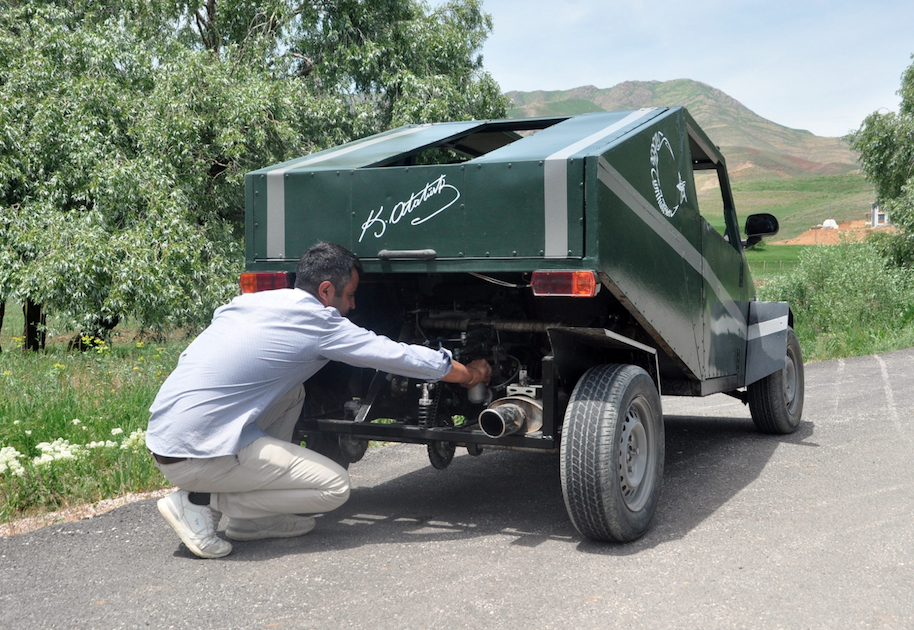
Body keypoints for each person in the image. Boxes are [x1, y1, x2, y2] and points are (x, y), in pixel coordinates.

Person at [146, 241, 491, 558]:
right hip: (196, 453)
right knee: (334, 488)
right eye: (351, 295)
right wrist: (469, 374)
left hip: (169, 435)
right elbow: (395, 355)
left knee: (293, 391)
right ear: (326, 290)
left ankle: (254, 522)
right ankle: (199, 501)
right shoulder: (317, 323)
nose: (354, 305)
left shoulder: (250, 303)